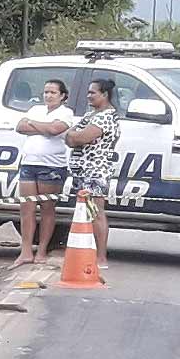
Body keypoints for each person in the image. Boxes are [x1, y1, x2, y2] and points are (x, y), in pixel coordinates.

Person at [10, 79, 75, 269]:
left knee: (47, 208)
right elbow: (20, 126)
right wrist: (43, 126)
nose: (48, 95)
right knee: (27, 208)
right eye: (46, 92)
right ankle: (26, 251)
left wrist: (35, 125)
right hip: (29, 163)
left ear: (62, 96)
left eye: (53, 92)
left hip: (52, 166)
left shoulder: (66, 113)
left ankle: (42, 250)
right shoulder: (35, 110)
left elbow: (56, 130)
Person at [66, 78, 120, 267]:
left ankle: (101, 257)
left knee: (96, 212)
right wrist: (74, 136)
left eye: (93, 92)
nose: (88, 96)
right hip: (83, 170)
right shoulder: (91, 115)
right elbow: (70, 137)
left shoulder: (106, 116)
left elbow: (80, 136)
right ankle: (85, 253)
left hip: (96, 171)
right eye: (88, 92)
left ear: (104, 94)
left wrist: (75, 136)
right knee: (84, 213)